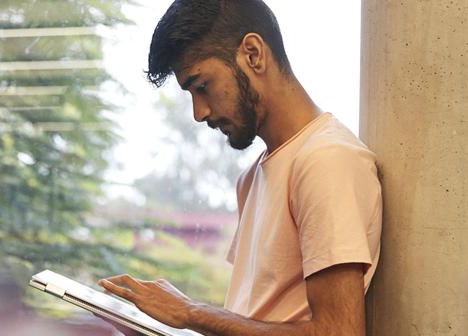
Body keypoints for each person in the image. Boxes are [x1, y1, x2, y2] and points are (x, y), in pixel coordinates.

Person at [98, 1, 382, 335]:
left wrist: (192, 313)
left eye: (202, 86)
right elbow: (254, 319)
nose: (199, 112)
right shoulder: (252, 178)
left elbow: (339, 332)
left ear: (253, 54)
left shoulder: (326, 160)